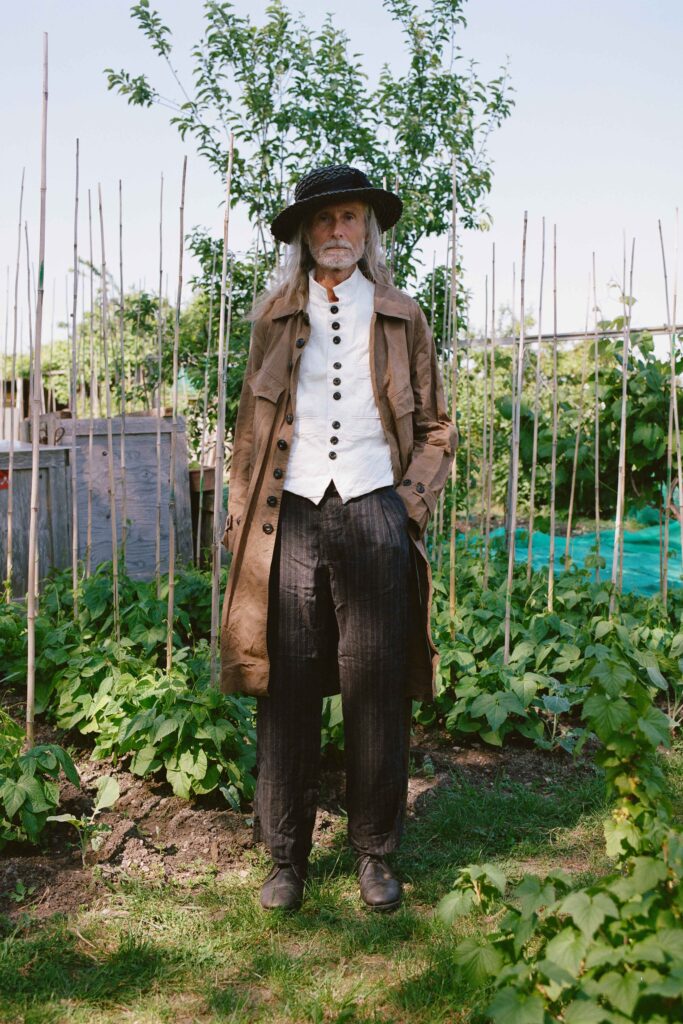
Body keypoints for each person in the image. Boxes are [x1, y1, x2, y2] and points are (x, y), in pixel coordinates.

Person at [220, 164, 456, 912]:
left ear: (368, 231)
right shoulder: (273, 318)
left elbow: (438, 427)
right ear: (302, 236)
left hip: (373, 511)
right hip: (287, 517)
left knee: (375, 688)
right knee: (285, 689)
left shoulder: (400, 316)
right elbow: (248, 434)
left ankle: (375, 854)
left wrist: (406, 505)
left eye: (349, 218)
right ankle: (284, 859)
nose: (336, 233)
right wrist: (237, 521)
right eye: (322, 221)